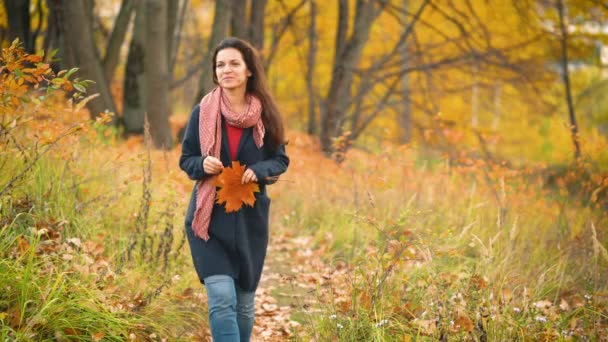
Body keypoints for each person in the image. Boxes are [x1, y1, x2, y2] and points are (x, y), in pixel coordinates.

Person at [179, 37, 289, 341]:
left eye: (233, 63)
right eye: (220, 65)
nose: (226, 70)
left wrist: (261, 170)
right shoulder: (202, 112)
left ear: (248, 70)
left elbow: (280, 160)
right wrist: (203, 164)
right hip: (208, 220)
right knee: (221, 298)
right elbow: (186, 160)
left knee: (243, 305)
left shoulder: (265, 114)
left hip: (250, 221)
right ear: (215, 72)